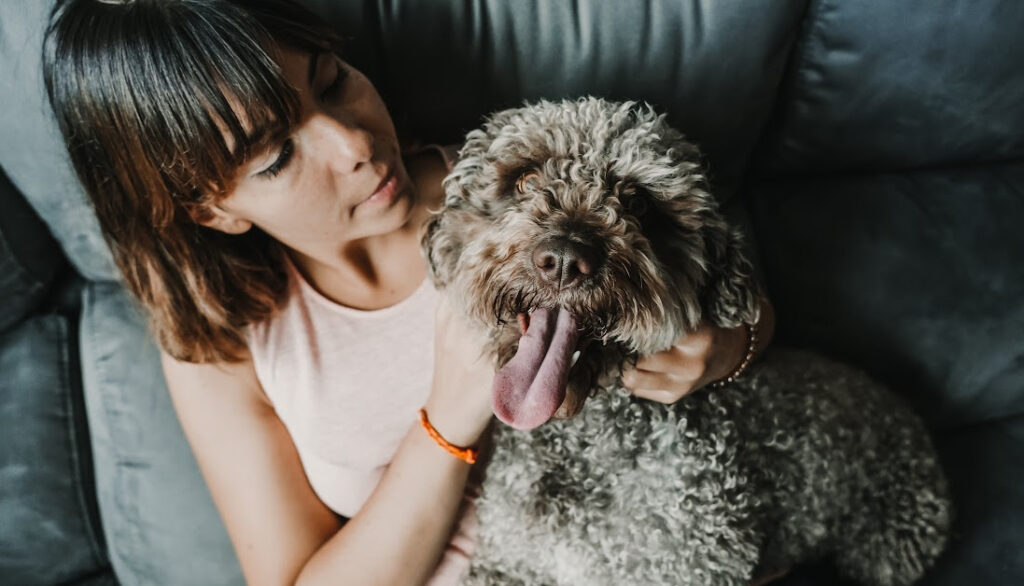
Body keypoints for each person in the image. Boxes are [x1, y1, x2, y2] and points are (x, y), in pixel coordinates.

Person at [42, 1, 776, 584]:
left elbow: (724, 291)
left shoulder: (521, 190)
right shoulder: (223, 344)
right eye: (276, 157)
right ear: (211, 207)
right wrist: (445, 421)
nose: (354, 145)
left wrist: (730, 351)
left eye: (332, 80)